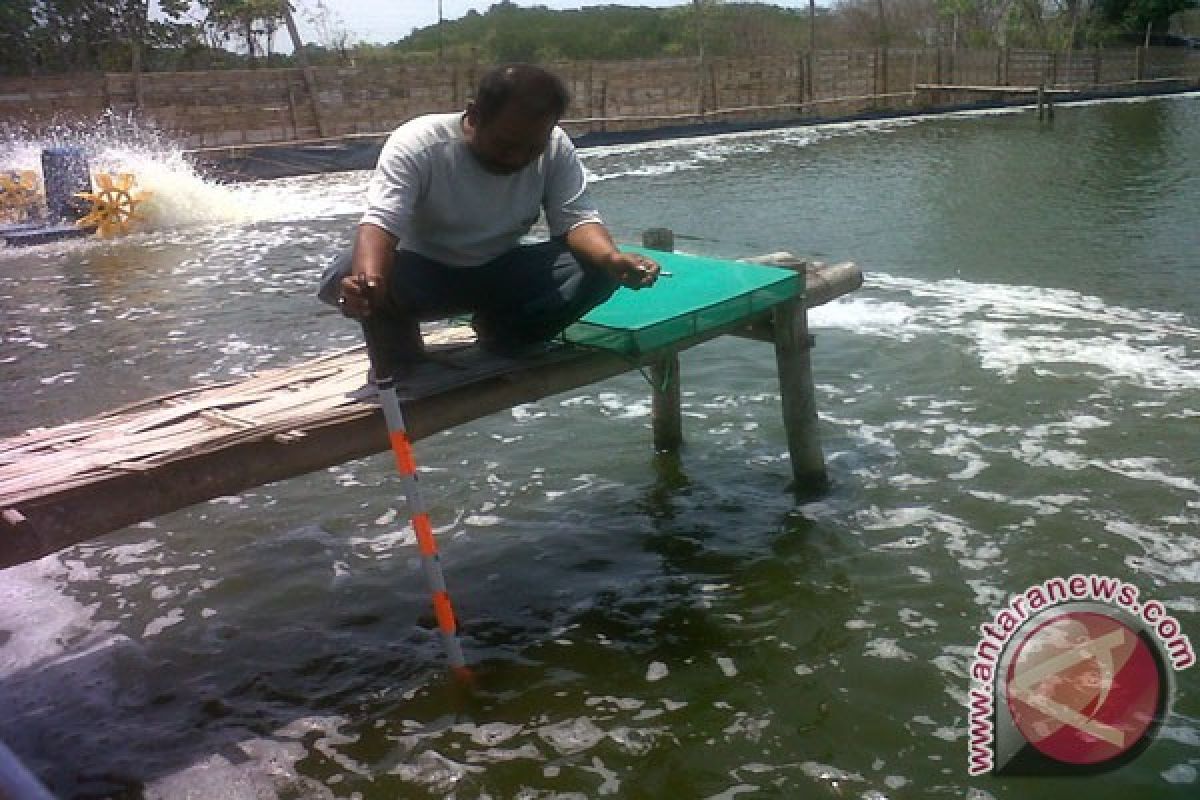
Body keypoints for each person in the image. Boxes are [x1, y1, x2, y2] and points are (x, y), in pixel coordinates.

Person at [319, 63, 660, 378]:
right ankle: (401, 354)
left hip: (501, 273)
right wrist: (368, 285)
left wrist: (612, 259)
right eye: (504, 144)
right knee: (353, 271)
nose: (517, 158)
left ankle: (507, 336)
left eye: (532, 148)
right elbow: (381, 223)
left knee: (597, 266)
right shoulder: (419, 144)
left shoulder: (555, 146)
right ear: (474, 114)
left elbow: (577, 220)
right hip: (425, 277)